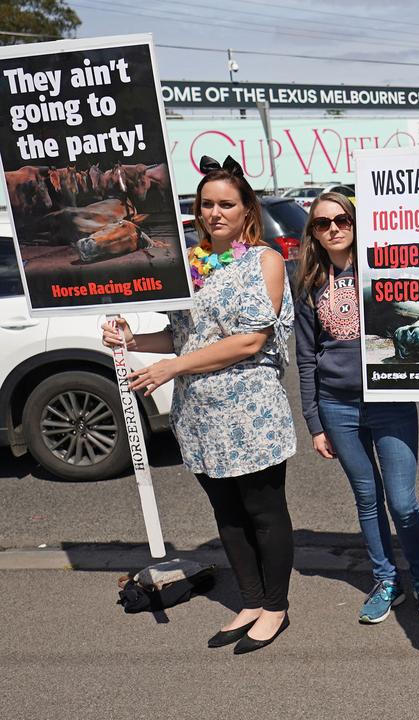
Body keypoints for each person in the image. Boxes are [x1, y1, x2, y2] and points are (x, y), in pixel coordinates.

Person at [102, 155, 295, 654]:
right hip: (201, 415)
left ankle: (275, 608)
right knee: (226, 514)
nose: (215, 213)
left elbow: (251, 341)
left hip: (250, 412)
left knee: (263, 511)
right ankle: (250, 602)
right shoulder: (189, 265)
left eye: (225, 204)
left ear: (245, 208)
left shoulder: (265, 261)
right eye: (206, 204)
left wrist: (172, 369)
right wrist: (131, 339)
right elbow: (180, 335)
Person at [293, 191, 419, 624]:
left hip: (390, 400)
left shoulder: (381, 271)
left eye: (341, 219)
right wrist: (314, 421)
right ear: (314, 233)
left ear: (356, 222)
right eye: (322, 223)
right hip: (337, 406)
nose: (334, 229)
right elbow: (306, 357)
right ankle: (386, 580)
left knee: (402, 500)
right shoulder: (307, 282)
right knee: (367, 498)